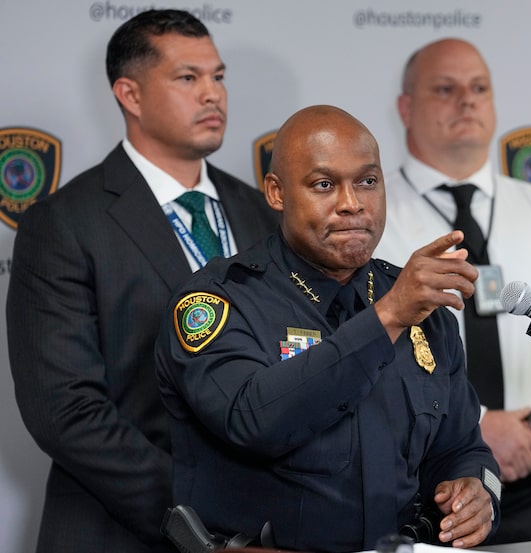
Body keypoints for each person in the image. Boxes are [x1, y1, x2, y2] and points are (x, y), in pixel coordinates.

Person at [154, 105, 501, 553]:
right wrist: (388, 317)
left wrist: (478, 492)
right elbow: (252, 419)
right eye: (324, 185)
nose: (352, 203)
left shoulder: (416, 303)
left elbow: (462, 446)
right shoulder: (218, 301)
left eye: (367, 182)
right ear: (276, 193)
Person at [6, 10, 279, 553]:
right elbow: (65, 409)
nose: (213, 95)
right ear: (129, 94)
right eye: (188, 78)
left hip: (273, 530)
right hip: (121, 531)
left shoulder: (264, 211)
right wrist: (201, 515)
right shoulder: (63, 223)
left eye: (218, 77)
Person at [373, 38, 531, 542]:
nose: (466, 101)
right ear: (405, 108)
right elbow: (363, 348)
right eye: (445, 89)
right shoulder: (370, 217)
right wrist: (477, 422)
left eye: (479, 89)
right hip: (421, 486)